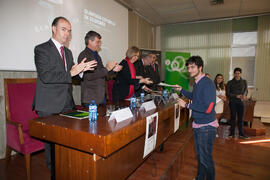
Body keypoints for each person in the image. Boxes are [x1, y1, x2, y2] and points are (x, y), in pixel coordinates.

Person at [32, 17, 97, 179]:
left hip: (67, 104)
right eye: (63, 29)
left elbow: (71, 77)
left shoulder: (67, 52)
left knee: (68, 141)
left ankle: (67, 171)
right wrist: (72, 72)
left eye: (69, 30)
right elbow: (46, 76)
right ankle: (55, 174)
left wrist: (81, 71)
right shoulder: (41, 49)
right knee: (52, 146)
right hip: (49, 104)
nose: (67, 33)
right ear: (53, 28)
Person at [175, 56, 218, 180]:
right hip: (199, 125)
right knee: (200, 156)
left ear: (200, 67)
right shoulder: (198, 82)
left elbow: (208, 108)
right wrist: (182, 90)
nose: (189, 70)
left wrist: (187, 105)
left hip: (207, 127)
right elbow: (195, 96)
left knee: (206, 158)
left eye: (192, 67)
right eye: (188, 67)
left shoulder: (207, 83)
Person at [78, 30, 122, 107]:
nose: (99, 44)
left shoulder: (97, 55)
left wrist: (113, 70)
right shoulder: (84, 55)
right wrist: (107, 69)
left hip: (101, 97)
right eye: (97, 42)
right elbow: (88, 76)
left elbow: (102, 74)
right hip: (91, 98)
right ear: (90, 41)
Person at [226, 67, 249, 139]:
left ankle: (241, 133)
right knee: (232, 118)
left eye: (238, 73)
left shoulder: (244, 81)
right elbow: (227, 93)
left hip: (241, 102)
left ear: (241, 74)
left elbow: (246, 91)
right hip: (233, 102)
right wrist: (236, 96)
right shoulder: (230, 82)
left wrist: (244, 96)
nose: (237, 75)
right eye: (236, 73)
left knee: (240, 119)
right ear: (234, 74)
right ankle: (231, 133)